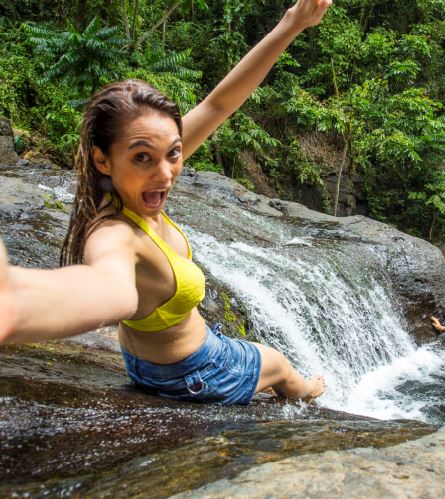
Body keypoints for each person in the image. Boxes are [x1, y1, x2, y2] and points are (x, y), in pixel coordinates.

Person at [0, 0, 331, 404]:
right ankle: (309, 393)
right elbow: (111, 289)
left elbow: (218, 105)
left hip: (153, 366)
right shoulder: (114, 234)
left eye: (173, 153)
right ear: (102, 158)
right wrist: (14, 301)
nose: (165, 173)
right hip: (195, 373)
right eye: (143, 157)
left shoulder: (130, 186)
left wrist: (291, 24)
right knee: (279, 366)